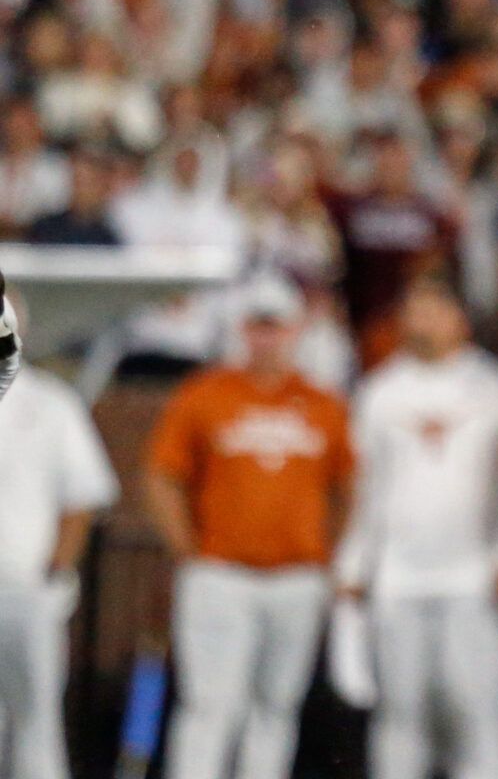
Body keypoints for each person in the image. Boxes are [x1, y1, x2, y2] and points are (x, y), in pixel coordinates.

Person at [143, 273, 353, 779]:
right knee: (211, 704)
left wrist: (327, 552)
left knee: (275, 708)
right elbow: (162, 475)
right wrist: (186, 548)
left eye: (276, 327)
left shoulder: (323, 404)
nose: (267, 338)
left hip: (296, 576)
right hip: (221, 572)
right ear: (243, 330)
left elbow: (347, 487)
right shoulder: (206, 395)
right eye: (258, 326)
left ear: (296, 331)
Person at [333, 274, 498, 779]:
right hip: (398, 573)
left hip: (473, 571)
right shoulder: (380, 391)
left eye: (433, 310)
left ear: (458, 319)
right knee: (400, 709)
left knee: (476, 706)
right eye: (413, 310)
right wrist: (355, 561)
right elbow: (364, 485)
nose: (421, 322)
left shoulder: (493, 386)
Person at [0, 297, 119, 779]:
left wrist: (55, 571)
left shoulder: (51, 403)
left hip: (27, 586)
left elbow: (84, 495)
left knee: (36, 719)